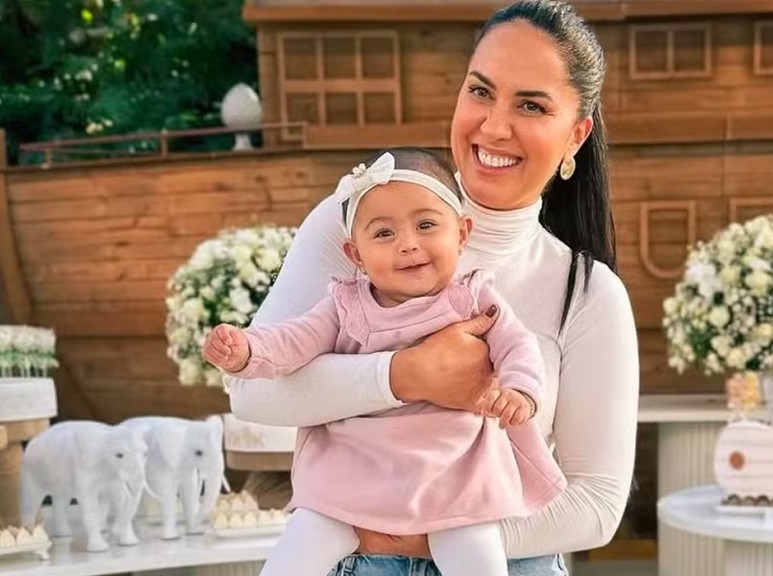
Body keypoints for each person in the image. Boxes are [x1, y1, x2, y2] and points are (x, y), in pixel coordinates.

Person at [228, 1, 640, 574]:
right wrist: (406, 375)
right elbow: (252, 392)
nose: (494, 126)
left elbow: (596, 506)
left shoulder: (588, 293)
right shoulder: (360, 226)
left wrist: (424, 534)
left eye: (531, 105)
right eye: (480, 91)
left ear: (576, 135)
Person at [205, 148, 566, 576]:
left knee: (474, 545)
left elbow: (517, 345)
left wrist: (521, 391)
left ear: (462, 233)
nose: (407, 244)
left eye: (426, 225)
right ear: (355, 254)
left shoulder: (471, 298)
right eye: (383, 233)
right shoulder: (344, 305)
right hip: (353, 471)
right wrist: (248, 350)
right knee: (302, 541)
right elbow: (294, 341)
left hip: (451, 472)